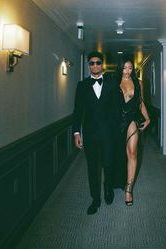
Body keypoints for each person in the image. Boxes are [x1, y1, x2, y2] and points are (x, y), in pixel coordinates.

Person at [73, 51, 117, 215]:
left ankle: (108, 190)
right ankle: (95, 199)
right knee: (92, 167)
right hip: (90, 133)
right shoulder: (82, 85)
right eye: (92, 63)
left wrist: (117, 131)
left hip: (108, 133)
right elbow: (77, 111)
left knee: (108, 163)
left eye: (98, 62)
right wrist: (77, 132)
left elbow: (116, 110)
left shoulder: (112, 83)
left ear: (102, 64)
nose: (95, 65)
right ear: (89, 65)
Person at [114, 55, 150, 206]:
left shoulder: (138, 83)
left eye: (130, 68)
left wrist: (147, 118)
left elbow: (141, 103)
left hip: (132, 119)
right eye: (124, 68)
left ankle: (129, 189)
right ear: (120, 68)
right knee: (116, 154)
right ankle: (117, 179)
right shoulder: (113, 82)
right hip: (116, 121)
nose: (127, 71)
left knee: (132, 152)